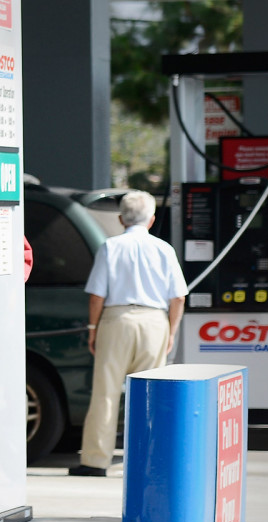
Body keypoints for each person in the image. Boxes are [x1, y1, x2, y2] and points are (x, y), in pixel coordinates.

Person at [71, 190, 186, 477]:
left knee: (106, 392)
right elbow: (179, 298)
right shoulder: (164, 249)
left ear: (121, 218)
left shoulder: (111, 247)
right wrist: (171, 331)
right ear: (152, 220)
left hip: (116, 319)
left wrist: (93, 329)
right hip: (154, 321)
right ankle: (150, 460)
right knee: (151, 394)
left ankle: (96, 461)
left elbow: (97, 295)